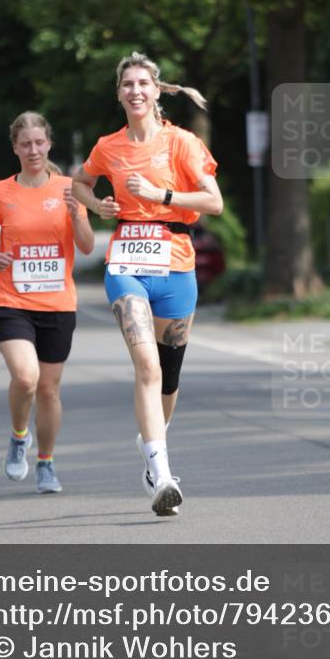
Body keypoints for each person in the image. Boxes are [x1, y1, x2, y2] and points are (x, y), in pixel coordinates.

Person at [72, 52, 223, 516]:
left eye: (143, 83)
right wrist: (96, 206)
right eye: (127, 85)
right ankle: (161, 476)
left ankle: (150, 442)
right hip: (127, 266)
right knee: (147, 367)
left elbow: (213, 201)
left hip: (177, 265)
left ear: (157, 91)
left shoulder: (182, 143)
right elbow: (78, 183)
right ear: (118, 94)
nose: (135, 91)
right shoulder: (108, 146)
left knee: (169, 378)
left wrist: (162, 195)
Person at [0, 111, 94, 494]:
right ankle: (17, 436)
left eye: (39, 142)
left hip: (58, 303)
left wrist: (77, 215)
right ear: (15, 148)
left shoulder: (68, 188)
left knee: (48, 390)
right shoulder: (0, 192)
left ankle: (46, 463)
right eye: (25, 144)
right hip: (11, 298)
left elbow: (88, 246)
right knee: (26, 377)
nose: (33, 150)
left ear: (49, 144)